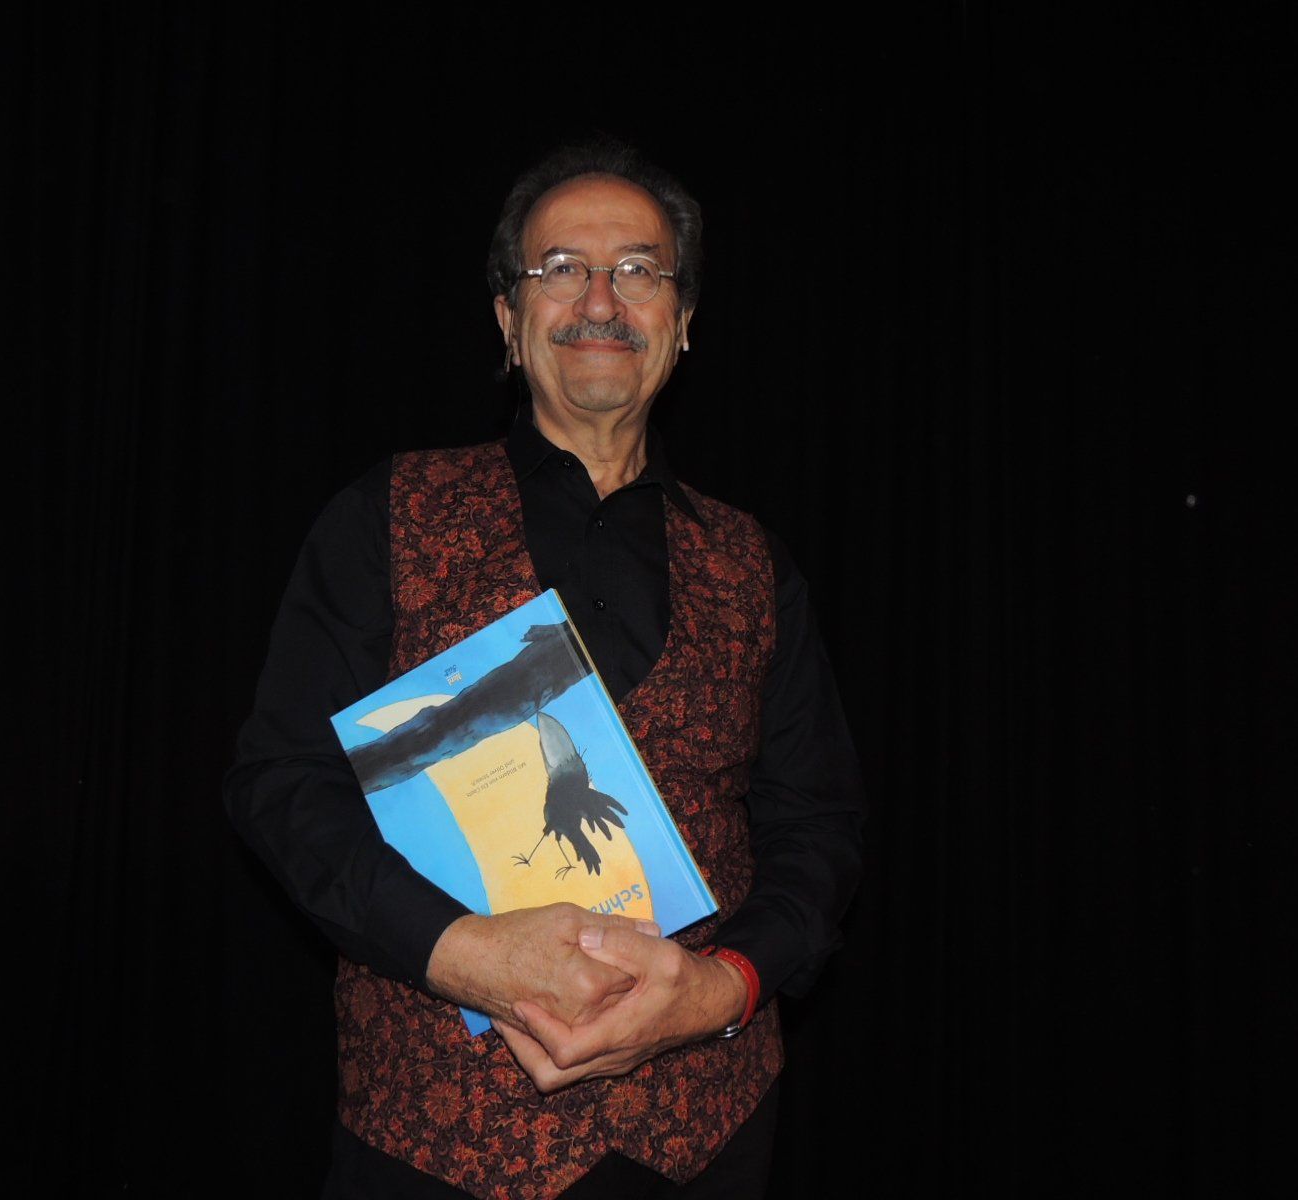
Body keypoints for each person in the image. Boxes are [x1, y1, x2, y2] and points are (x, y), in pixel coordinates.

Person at [225, 141, 864, 1200]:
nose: (600, 299)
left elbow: (820, 827)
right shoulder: (385, 517)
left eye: (639, 270)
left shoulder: (755, 564)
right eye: (560, 268)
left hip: (704, 1141)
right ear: (507, 320)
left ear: (682, 320)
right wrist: (461, 954)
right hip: (435, 1147)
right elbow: (282, 784)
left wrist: (722, 990)